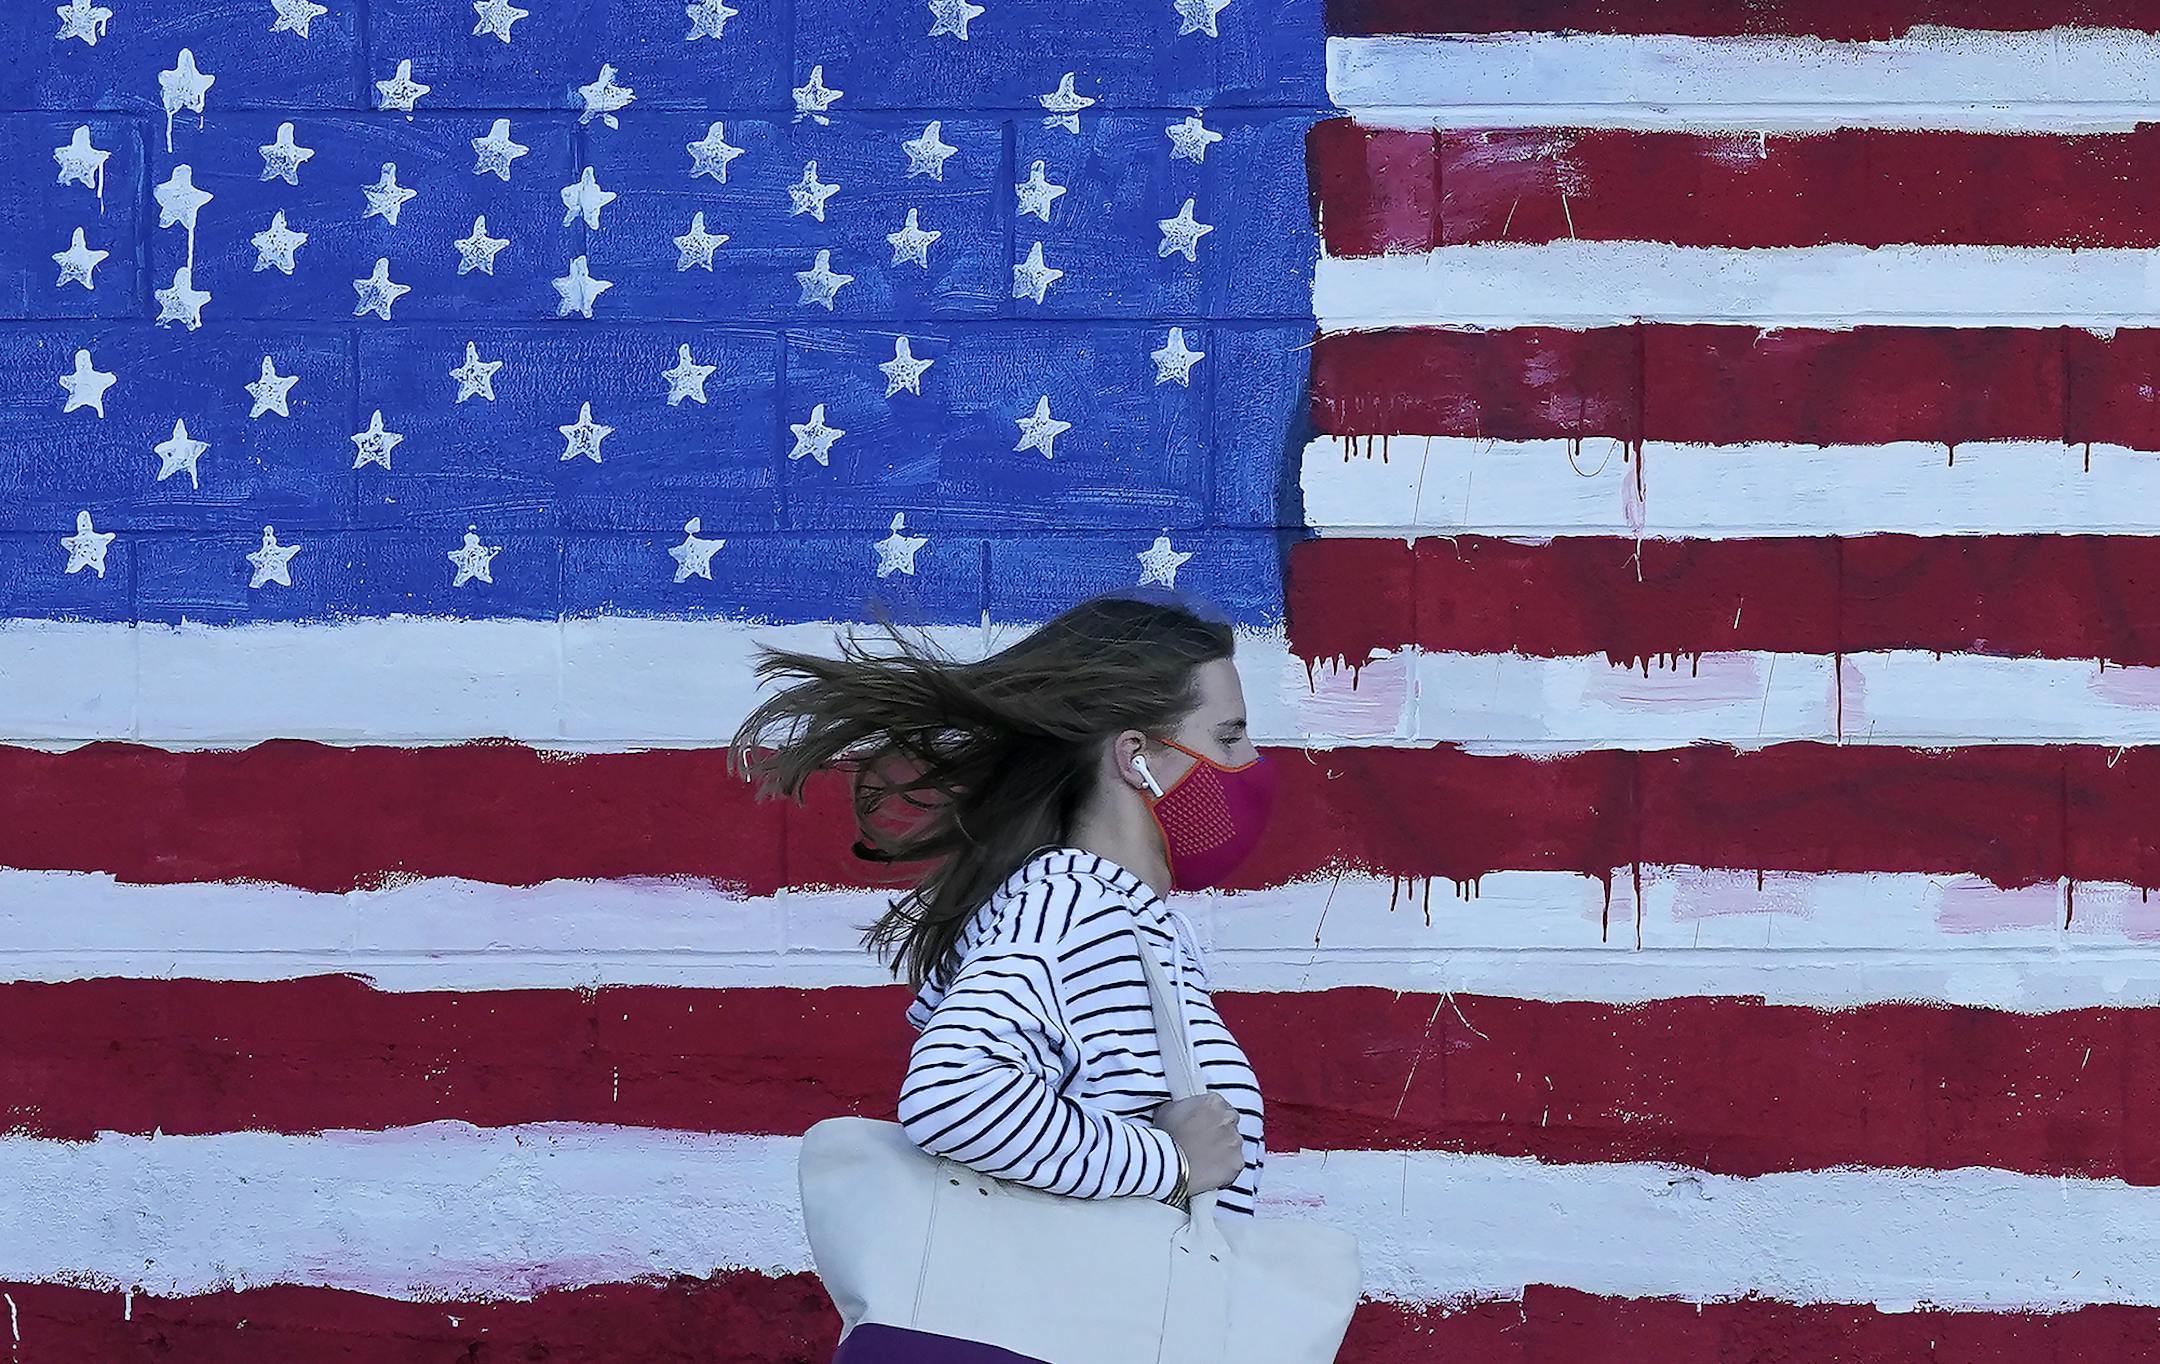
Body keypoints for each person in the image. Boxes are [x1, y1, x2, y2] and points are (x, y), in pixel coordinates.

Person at [731, 592, 1280, 1362]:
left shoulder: (1121, 919)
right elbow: (953, 1098)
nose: (1249, 765)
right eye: (1228, 736)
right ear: (1136, 760)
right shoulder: (1070, 904)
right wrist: (1172, 1162)